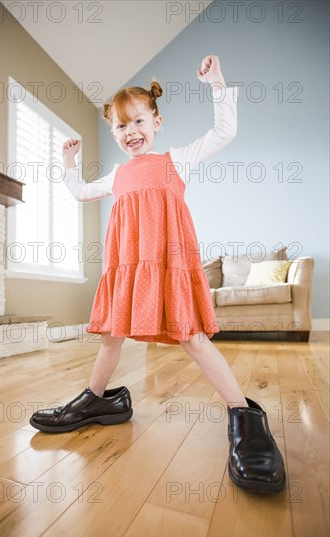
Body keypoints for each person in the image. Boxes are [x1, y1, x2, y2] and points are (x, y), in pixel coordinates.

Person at [30, 55, 286, 493]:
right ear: (113, 133)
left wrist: (218, 85)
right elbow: (77, 192)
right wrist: (69, 164)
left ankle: (244, 415)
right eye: (120, 126)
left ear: (157, 121)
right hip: (128, 269)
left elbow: (224, 131)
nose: (130, 132)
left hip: (168, 266)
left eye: (138, 122)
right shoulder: (116, 176)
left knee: (191, 337)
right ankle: (95, 401)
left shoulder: (176, 160)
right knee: (112, 334)